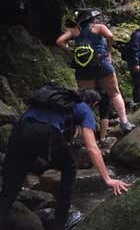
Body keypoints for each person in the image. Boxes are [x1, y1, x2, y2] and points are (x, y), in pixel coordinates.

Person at [0, 85, 129, 230]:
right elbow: (92, 148)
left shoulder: (60, 100)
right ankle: (60, 221)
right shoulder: (85, 110)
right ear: (94, 104)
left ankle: (4, 212)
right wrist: (107, 179)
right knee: (70, 167)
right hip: (46, 133)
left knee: (13, 179)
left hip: (20, 128)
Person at [55, 9, 135, 133]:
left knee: (86, 99)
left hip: (83, 68)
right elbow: (110, 36)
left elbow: (59, 41)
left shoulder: (74, 31)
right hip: (101, 63)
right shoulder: (99, 28)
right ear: (91, 19)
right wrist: (108, 50)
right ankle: (124, 122)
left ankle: (82, 133)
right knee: (114, 93)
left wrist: (70, 50)